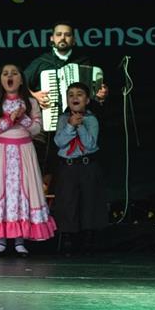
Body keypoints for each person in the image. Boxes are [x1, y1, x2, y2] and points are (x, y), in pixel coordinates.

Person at [0, 63, 57, 256]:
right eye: (5, 73)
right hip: (1, 152)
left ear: (21, 80)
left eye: (14, 73)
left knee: (23, 192)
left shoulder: (31, 102)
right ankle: (0, 240)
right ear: (1, 80)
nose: (9, 76)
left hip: (24, 152)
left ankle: (20, 240)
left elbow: (36, 129)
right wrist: (10, 119)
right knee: (0, 191)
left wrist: (22, 118)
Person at [23, 21, 108, 189]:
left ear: (73, 40)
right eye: (59, 34)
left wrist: (101, 94)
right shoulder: (41, 62)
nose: (63, 38)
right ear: (52, 39)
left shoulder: (84, 61)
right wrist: (34, 95)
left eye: (67, 35)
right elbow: (20, 85)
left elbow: (94, 95)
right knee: (42, 161)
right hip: (47, 123)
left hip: (77, 123)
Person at [53, 82, 106, 253]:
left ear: (87, 100)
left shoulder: (91, 120)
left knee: (89, 202)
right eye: (71, 95)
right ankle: (68, 238)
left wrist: (80, 126)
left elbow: (90, 145)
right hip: (68, 167)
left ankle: (88, 240)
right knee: (68, 202)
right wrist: (70, 125)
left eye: (79, 94)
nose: (75, 97)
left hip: (86, 166)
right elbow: (59, 142)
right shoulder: (63, 119)